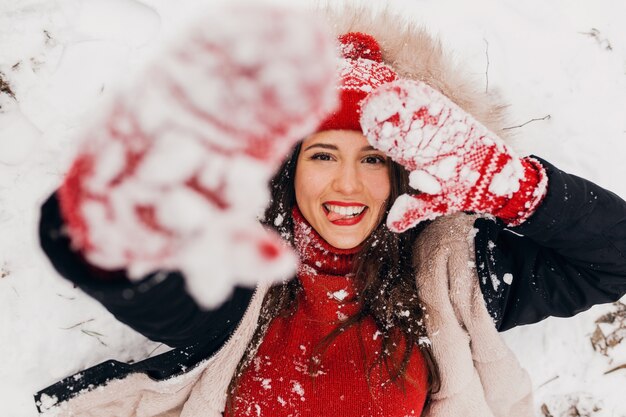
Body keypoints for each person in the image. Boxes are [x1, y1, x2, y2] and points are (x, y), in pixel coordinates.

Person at [35, 4, 626, 417]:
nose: (348, 184)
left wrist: (513, 188)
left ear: (401, 172)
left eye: (373, 160)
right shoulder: (242, 273)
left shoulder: (455, 277)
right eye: (323, 154)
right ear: (288, 168)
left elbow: (613, 258)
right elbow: (131, 269)